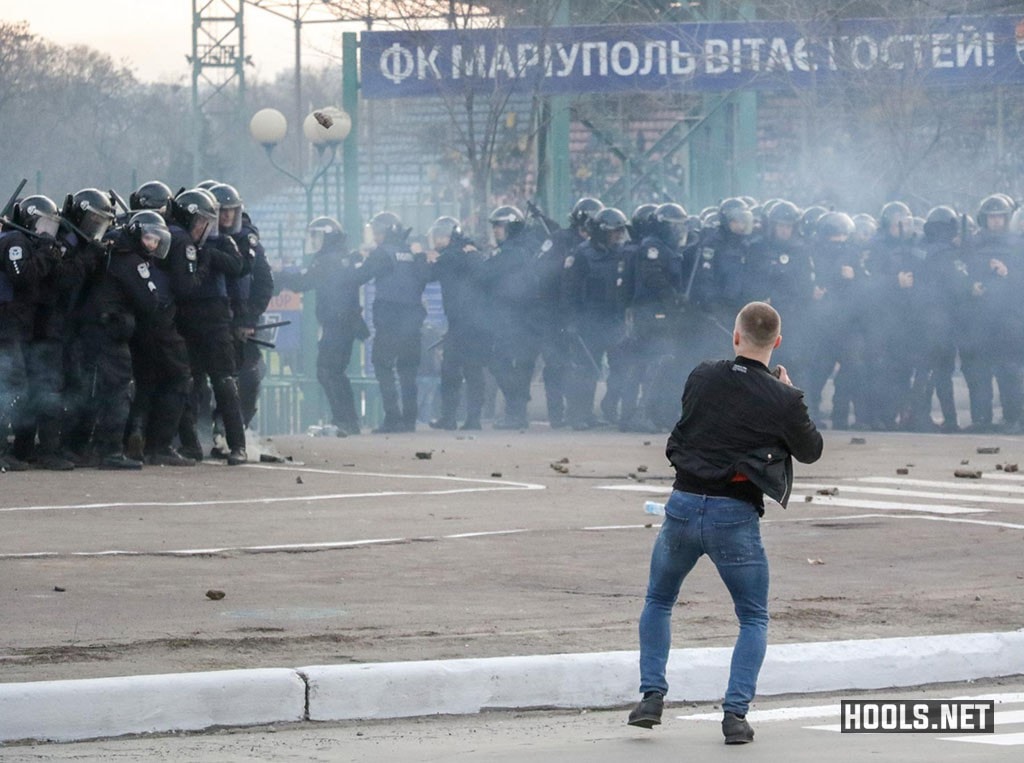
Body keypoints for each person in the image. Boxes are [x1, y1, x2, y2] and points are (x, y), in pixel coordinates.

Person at [629, 301, 823, 744]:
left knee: (659, 600)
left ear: (735, 337)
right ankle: (735, 716)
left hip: (681, 504)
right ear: (776, 343)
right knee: (752, 617)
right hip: (734, 515)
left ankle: (651, 696)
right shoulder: (783, 398)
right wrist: (790, 397)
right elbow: (810, 450)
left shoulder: (702, 374)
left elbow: (696, 418)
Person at [276, 217, 368, 436]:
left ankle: (344, 421)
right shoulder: (341, 256)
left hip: (336, 322)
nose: (315, 242)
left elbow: (303, 282)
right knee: (336, 371)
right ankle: (349, 421)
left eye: (318, 236)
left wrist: (278, 277)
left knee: (327, 371)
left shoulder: (328, 260)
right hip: (344, 321)